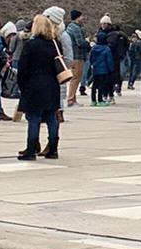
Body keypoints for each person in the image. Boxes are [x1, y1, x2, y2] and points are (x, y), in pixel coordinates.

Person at [15, 14, 70, 160]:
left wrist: (22, 86)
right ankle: (53, 149)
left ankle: (31, 150)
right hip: (52, 85)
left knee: (33, 118)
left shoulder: (30, 45)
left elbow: (22, 69)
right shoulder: (55, 44)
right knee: (51, 117)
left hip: (33, 85)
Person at [87, 24, 117, 106]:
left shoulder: (93, 48)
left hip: (95, 69)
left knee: (94, 85)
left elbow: (91, 58)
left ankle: (93, 100)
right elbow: (109, 60)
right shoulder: (106, 49)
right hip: (104, 70)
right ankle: (100, 100)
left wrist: (92, 64)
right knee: (102, 85)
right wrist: (111, 69)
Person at [65, 9, 89, 107]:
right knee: (75, 78)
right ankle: (71, 100)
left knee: (74, 78)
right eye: (81, 16)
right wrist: (87, 42)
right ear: (77, 17)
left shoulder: (69, 27)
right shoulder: (76, 28)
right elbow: (80, 42)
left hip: (72, 55)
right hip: (77, 56)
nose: (83, 18)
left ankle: (73, 99)